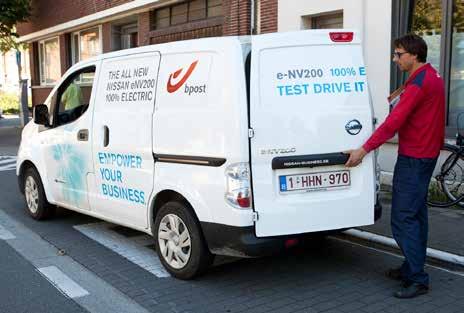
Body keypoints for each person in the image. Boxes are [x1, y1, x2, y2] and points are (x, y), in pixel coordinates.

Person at [344, 34, 445, 299]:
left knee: (402, 218)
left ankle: (417, 279)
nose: (395, 59)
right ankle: (410, 266)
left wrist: (363, 150)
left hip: (414, 158)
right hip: (426, 155)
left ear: (414, 54)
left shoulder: (419, 85)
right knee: (416, 216)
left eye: (398, 54)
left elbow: (392, 124)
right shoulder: (431, 76)